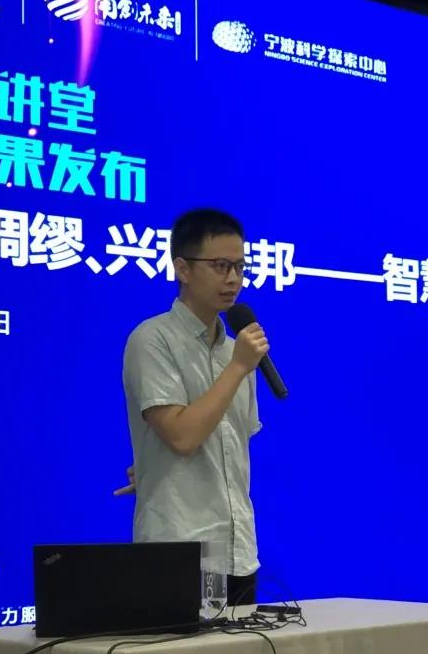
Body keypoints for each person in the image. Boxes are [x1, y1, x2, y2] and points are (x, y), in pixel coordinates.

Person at [115, 208, 268, 605]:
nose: (233, 279)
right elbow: (182, 437)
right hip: (182, 549)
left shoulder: (237, 352)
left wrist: (153, 463)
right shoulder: (153, 340)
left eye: (240, 267)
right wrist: (237, 368)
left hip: (238, 550)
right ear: (182, 269)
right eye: (220, 266)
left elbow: (230, 445)